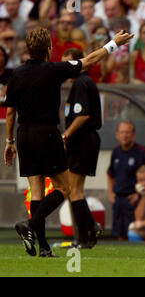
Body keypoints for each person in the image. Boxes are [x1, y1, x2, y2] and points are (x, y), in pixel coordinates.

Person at [4, 28, 133, 257]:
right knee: (64, 188)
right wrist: (114, 43)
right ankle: (30, 225)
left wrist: (9, 140)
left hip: (24, 135)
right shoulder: (54, 70)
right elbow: (90, 60)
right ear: (49, 49)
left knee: (37, 191)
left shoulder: (16, 74)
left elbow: (11, 111)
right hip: (47, 133)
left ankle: (43, 248)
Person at [60, 48, 103, 248]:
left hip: (82, 138)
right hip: (85, 139)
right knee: (74, 190)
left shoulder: (81, 83)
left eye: (68, 64)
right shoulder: (83, 83)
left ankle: (88, 231)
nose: (64, 68)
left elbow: (83, 115)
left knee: (73, 190)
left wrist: (66, 134)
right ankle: (87, 234)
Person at [107, 120, 145, 240]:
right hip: (118, 199)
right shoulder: (116, 152)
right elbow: (110, 174)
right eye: (122, 132)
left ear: (134, 135)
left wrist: (141, 192)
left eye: (128, 132)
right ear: (117, 135)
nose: (125, 135)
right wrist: (111, 192)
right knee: (118, 235)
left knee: (133, 232)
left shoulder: (142, 151)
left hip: (133, 199)